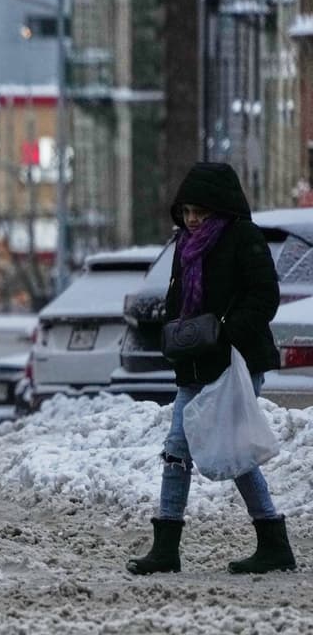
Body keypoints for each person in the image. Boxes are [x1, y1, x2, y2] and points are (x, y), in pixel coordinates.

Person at [126, 162, 297, 575]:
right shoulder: (186, 245)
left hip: (236, 361)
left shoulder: (243, 237)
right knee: (179, 451)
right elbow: (177, 300)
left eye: (199, 211)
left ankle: (270, 543)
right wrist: (179, 336)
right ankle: (170, 546)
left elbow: (265, 297)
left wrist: (225, 332)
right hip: (196, 362)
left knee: (225, 449)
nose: (192, 218)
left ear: (220, 206)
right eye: (186, 211)